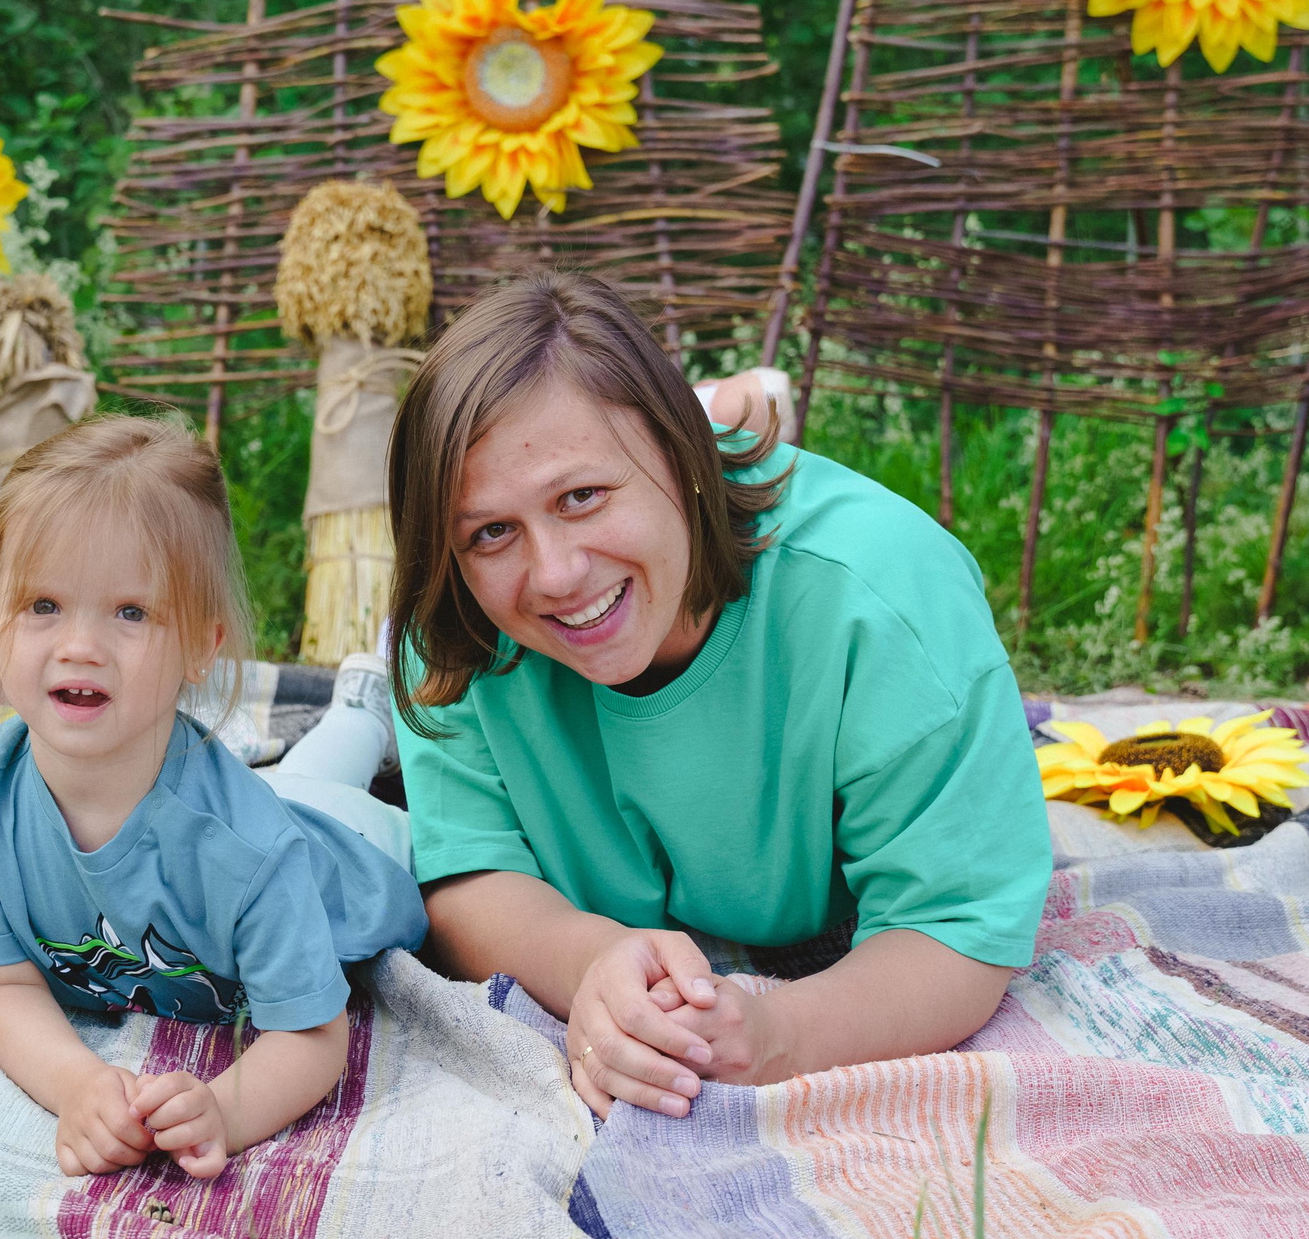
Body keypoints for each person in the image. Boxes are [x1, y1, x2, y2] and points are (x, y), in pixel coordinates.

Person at [388, 273, 1051, 1120]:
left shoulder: (884, 597)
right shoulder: (452, 623)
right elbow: (468, 871)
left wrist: (784, 1032)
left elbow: (957, 923)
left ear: (680, 452)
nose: (554, 574)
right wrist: (592, 961)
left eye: (582, 495)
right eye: (492, 530)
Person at [0, 414, 425, 1179]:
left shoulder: (251, 853)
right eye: (44, 606)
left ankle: (376, 706)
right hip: (274, 801)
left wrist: (224, 1109)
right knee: (298, 779)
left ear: (202, 642)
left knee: (329, 803)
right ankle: (359, 707)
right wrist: (80, 1085)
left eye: (130, 611)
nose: (79, 645)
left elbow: (314, 1036)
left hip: (357, 850)